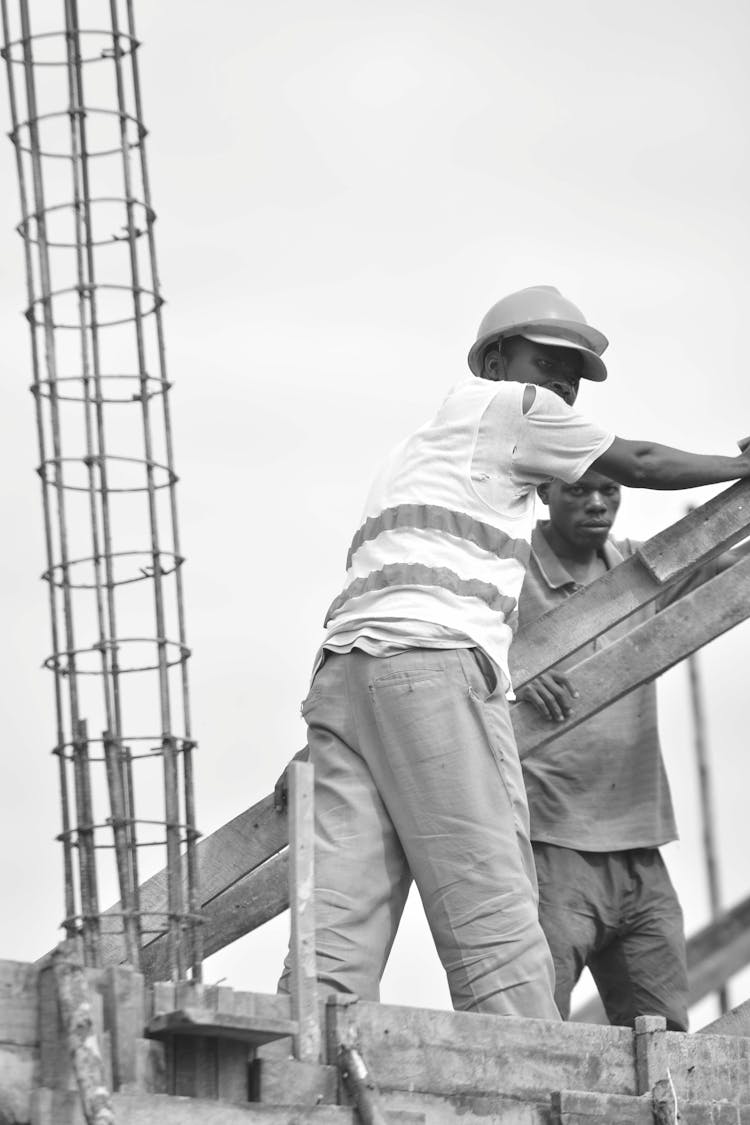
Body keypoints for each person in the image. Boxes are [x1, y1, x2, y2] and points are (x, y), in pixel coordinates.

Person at [279, 284, 750, 1019]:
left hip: (344, 676)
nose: (563, 385)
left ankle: (300, 1059)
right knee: (494, 909)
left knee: (338, 920)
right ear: (496, 360)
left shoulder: (421, 448)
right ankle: (524, 1085)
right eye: (549, 361)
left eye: (575, 373)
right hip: (430, 668)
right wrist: (739, 465)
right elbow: (643, 460)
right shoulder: (511, 410)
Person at [512, 470, 748, 1031]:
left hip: (640, 848)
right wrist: (511, 669)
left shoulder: (640, 572)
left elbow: (734, 567)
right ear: (545, 493)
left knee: (665, 1038)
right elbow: (448, 647)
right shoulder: (506, 574)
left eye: (610, 492)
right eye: (578, 490)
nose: (597, 503)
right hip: (548, 845)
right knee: (535, 1033)